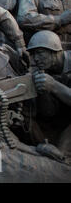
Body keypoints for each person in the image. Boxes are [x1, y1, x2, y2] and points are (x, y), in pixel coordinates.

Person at [27, 30, 70, 160]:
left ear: (55, 51)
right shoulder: (44, 70)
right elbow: (48, 113)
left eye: (40, 53)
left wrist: (54, 86)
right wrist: (42, 93)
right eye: (33, 54)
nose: (35, 59)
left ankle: (62, 153)